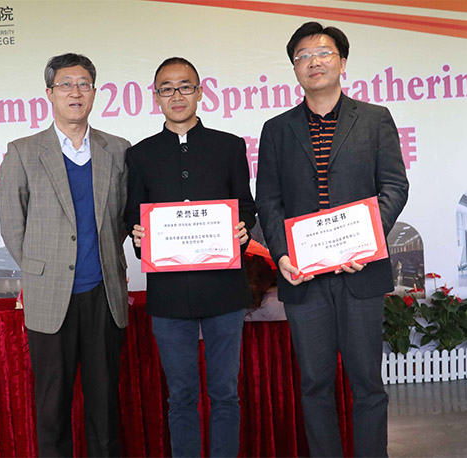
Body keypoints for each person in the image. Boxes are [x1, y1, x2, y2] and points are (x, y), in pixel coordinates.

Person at [256, 22, 409, 457]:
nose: (314, 62)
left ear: (342, 62)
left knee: (367, 383)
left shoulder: (374, 119)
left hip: (361, 271)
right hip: (304, 278)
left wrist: (367, 240)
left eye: (323, 53)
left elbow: (394, 186)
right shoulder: (277, 129)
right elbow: (268, 200)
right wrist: (281, 255)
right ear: (294, 69)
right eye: (303, 56)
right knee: (315, 384)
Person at [0, 53, 130, 457]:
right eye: (66, 84)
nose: (75, 92)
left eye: (83, 84)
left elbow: (123, 218)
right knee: (52, 406)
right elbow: (12, 224)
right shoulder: (23, 152)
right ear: (49, 93)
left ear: (95, 92)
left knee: (105, 405)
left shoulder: (117, 150)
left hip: (103, 294)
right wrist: (41, 271)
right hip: (50, 297)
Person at [125, 57, 256, 457]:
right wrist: (139, 236)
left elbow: (246, 206)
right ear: (156, 98)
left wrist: (242, 230)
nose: (177, 95)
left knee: (225, 393)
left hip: (224, 290)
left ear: (200, 92)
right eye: (167, 88)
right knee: (180, 396)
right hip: (168, 295)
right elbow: (133, 215)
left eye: (185, 86)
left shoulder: (229, 146)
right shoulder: (140, 155)